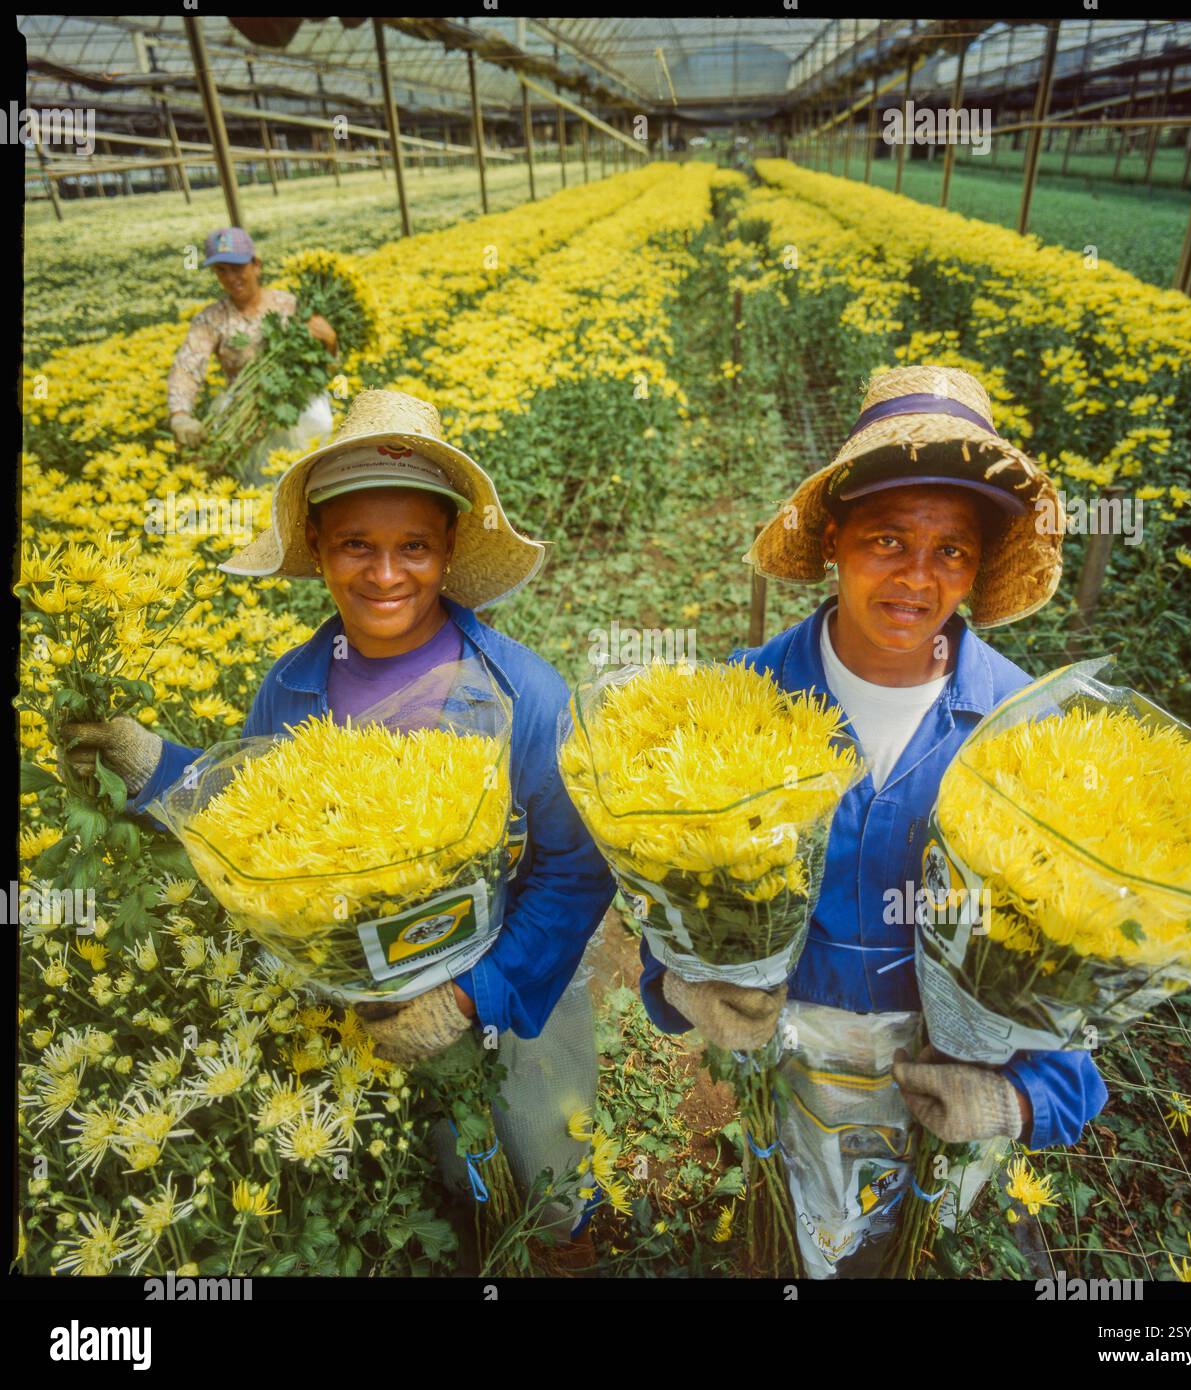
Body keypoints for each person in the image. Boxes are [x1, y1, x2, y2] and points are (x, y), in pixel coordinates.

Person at [63, 389, 616, 1265]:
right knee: (445, 1169)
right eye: (356, 544)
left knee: (543, 1167)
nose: (385, 574)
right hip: (359, 1003)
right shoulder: (290, 689)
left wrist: (471, 994)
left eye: (413, 548)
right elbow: (257, 824)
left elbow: (575, 873)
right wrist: (151, 765)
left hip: (511, 1001)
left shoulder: (520, 696)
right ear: (318, 548)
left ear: (446, 552)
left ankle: (563, 1245)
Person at [638, 366, 1109, 1278]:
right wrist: (682, 986)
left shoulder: (1027, 734)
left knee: (909, 1253)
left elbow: (1078, 963)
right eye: (887, 539)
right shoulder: (740, 702)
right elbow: (668, 896)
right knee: (787, 1239)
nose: (916, 578)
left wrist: (1018, 1100)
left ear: (976, 568)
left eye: (951, 551)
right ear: (833, 540)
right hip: (784, 1070)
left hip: (948, 1087)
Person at [167, 227, 338, 479]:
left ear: (256, 265)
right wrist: (180, 414)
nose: (230, 278)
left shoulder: (290, 305)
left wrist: (331, 341)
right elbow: (187, 365)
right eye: (221, 270)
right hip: (242, 404)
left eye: (237, 268)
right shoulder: (211, 319)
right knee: (254, 473)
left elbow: (327, 366)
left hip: (295, 398)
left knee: (317, 430)